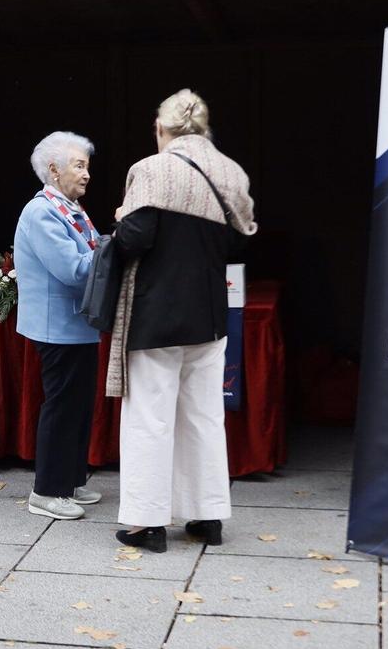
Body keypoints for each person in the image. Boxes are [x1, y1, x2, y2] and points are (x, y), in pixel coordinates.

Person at [107, 90, 256, 552]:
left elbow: (134, 239)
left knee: (149, 418)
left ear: (160, 129)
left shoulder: (151, 170)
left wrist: (119, 218)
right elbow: (239, 245)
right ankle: (207, 517)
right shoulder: (230, 173)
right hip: (210, 315)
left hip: (155, 315)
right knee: (205, 417)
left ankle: (146, 524)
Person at [13, 131, 102, 521]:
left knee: (79, 406)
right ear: (53, 170)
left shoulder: (69, 208)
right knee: (63, 406)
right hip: (58, 328)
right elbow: (74, 270)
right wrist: (117, 251)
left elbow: (93, 253)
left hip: (77, 325)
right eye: (78, 166)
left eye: (87, 166)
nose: (86, 175)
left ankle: (71, 479)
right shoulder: (42, 212)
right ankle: (47, 491)